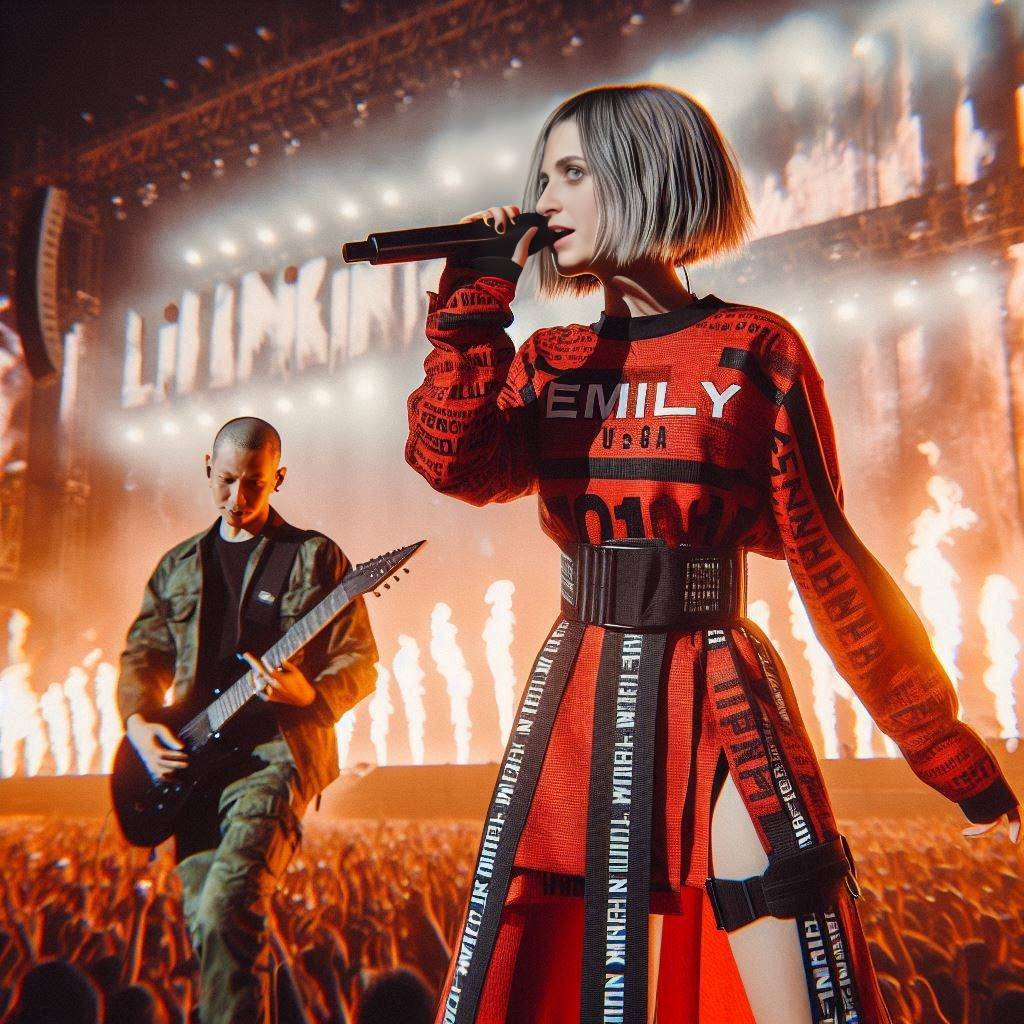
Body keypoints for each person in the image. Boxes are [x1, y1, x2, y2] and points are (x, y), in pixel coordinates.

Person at [404, 85, 1021, 1024]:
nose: (545, 199)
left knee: (796, 959)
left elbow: (829, 560)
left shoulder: (755, 349)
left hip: (717, 691)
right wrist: (475, 305)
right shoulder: (550, 357)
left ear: (648, 175)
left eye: (573, 172)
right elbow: (451, 461)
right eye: (542, 176)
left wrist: (941, 744)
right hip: (574, 701)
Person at [117, 416, 378, 1024]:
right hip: (191, 762)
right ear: (207, 468)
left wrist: (307, 692)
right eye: (227, 481)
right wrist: (138, 725)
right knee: (208, 928)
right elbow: (141, 655)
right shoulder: (178, 565)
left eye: (254, 485)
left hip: (276, 756)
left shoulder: (313, 557)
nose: (238, 499)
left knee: (227, 907)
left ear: (278, 479)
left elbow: (361, 662)